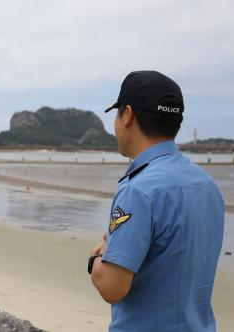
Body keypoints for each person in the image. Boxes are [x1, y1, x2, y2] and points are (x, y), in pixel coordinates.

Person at [88, 71, 224, 331]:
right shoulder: (206, 184)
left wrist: (98, 258)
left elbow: (111, 287)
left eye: (116, 114)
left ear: (127, 115)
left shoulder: (137, 190)